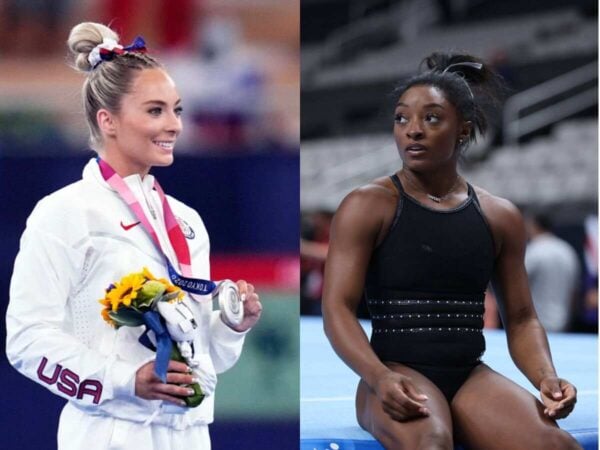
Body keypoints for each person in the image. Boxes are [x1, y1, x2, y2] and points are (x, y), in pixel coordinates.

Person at [5, 22, 262, 450]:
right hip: (111, 431)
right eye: (155, 110)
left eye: (177, 110)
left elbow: (203, 357)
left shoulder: (186, 220)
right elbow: (26, 339)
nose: (175, 125)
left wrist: (231, 326)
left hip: (191, 433)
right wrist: (123, 381)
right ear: (108, 120)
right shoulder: (65, 213)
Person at [322, 52, 581, 450]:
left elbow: (523, 317)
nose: (412, 131)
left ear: (462, 129)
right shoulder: (368, 204)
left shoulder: (499, 216)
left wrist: (546, 377)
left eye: (431, 118)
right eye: (402, 118)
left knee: (557, 446)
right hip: (392, 373)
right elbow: (337, 308)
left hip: (469, 376)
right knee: (431, 443)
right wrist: (378, 377)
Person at [524, 214, 580, 332]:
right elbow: (574, 291)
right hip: (563, 321)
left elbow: (517, 284)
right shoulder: (568, 250)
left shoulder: (533, 251)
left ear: (534, 226)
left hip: (536, 323)